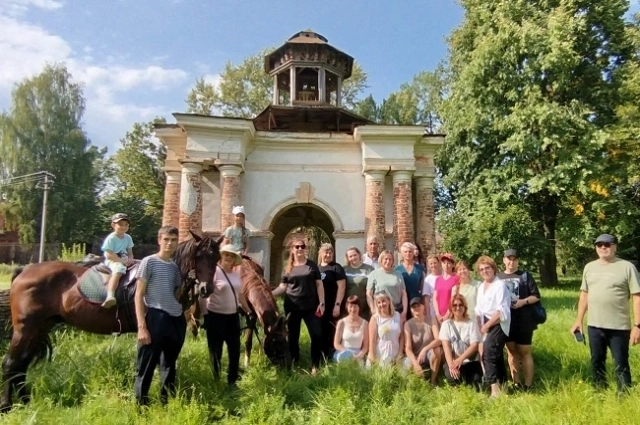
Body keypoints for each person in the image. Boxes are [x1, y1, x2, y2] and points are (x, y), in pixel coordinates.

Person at [570, 234, 640, 392]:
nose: (603, 247)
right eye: (599, 244)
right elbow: (584, 295)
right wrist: (578, 320)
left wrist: (638, 325)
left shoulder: (627, 267)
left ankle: (624, 395)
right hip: (594, 325)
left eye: (607, 245)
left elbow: (637, 298)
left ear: (615, 246)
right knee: (596, 361)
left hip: (619, 326)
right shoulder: (589, 267)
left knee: (621, 362)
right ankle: (600, 391)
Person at [133, 226, 185, 406]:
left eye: (173, 240)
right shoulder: (148, 262)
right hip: (155, 316)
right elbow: (139, 294)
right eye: (166, 239)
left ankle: (166, 403)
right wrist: (142, 326)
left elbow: (177, 293)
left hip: (175, 318)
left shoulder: (175, 267)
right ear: (159, 240)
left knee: (169, 364)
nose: (170, 243)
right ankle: (141, 406)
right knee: (146, 364)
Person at [198, 245, 251, 386]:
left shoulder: (235, 274)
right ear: (220, 256)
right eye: (226, 254)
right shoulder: (213, 272)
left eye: (231, 255)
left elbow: (239, 295)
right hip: (215, 316)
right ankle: (216, 379)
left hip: (233, 317)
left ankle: (232, 381)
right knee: (216, 351)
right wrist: (205, 315)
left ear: (235, 259)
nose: (228, 257)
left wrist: (249, 311)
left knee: (235, 350)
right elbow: (202, 296)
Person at [272, 238, 325, 375]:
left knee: (317, 335)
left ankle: (315, 365)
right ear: (292, 249)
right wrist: (270, 294)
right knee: (293, 337)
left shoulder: (312, 265)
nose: (300, 249)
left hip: (311, 307)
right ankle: (295, 362)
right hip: (292, 307)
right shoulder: (288, 267)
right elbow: (283, 287)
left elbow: (319, 285)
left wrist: (322, 303)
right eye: (297, 247)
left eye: (302, 246)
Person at [498, 249, 541, 391]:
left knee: (524, 352)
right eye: (509, 259)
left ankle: (528, 385)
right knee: (511, 351)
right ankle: (516, 383)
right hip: (506, 321)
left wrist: (523, 302)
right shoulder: (498, 277)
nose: (511, 262)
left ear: (518, 261)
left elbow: (536, 296)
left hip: (524, 321)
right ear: (504, 260)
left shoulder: (525, 276)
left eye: (514, 259)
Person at [474, 255, 511, 398]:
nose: (484, 271)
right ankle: (504, 387)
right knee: (496, 355)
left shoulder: (499, 285)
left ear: (493, 268)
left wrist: (487, 325)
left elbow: (501, 311)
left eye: (487, 268)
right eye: (481, 269)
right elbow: (478, 309)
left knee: (488, 354)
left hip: (498, 324)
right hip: (485, 323)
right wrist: (479, 325)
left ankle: (494, 391)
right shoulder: (482, 286)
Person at [440, 294, 483, 389]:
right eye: (454, 305)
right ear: (451, 308)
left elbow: (474, 345)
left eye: (460, 305)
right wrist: (451, 365)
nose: (458, 307)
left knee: (476, 386)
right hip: (454, 360)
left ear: (465, 307)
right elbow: (446, 346)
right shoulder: (446, 324)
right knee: (453, 378)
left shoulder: (471, 323)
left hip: (470, 360)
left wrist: (461, 359)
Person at [403, 297, 442, 386]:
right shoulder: (408, 324)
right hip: (415, 355)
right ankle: (418, 381)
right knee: (407, 372)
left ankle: (433, 381)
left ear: (423, 306)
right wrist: (415, 363)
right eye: (414, 307)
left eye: (418, 305)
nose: (416, 308)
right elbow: (408, 348)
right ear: (411, 310)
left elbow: (439, 339)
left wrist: (425, 349)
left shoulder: (431, 320)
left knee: (437, 351)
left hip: (428, 354)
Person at [317, 243, 346, 360]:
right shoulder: (316, 268)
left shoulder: (336, 267)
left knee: (333, 331)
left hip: (333, 305)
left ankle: (333, 355)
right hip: (319, 306)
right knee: (320, 330)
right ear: (321, 253)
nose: (328, 255)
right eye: (326, 252)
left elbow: (342, 287)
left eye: (330, 252)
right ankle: (321, 356)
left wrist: (337, 305)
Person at [101, 213, 134, 308]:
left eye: (126, 225)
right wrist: (122, 261)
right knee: (119, 269)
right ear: (113, 225)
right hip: (113, 260)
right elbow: (108, 255)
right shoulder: (111, 238)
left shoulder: (128, 238)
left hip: (125, 259)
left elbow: (130, 252)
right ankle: (110, 295)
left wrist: (131, 259)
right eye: (120, 224)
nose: (123, 227)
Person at [366, 250, 408, 323]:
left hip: (397, 310)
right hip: (380, 310)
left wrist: (404, 312)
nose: (388, 261)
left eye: (390, 259)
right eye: (386, 259)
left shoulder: (398, 274)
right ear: (381, 260)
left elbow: (404, 294)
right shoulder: (374, 274)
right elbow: (369, 294)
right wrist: (373, 310)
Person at [368, 292, 403, 367]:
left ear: (389, 301)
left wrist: (400, 354)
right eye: (379, 302)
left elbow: (402, 337)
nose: (382, 304)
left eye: (383, 301)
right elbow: (372, 341)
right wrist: (373, 358)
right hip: (381, 353)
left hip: (395, 351)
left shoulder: (397, 315)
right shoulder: (375, 318)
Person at [333, 295, 369, 363]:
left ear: (359, 307)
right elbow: (336, 344)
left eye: (355, 306)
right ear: (347, 307)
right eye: (351, 306)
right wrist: (349, 354)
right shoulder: (341, 322)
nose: (353, 309)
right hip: (343, 352)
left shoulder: (365, 323)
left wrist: (358, 356)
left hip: (358, 354)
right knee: (345, 360)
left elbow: (365, 347)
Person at [343, 246, 375, 320]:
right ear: (347, 258)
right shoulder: (344, 269)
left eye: (355, 255)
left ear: (359, 255)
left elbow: (373, 288)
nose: (353, 258)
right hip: (349, 306)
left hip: (364, 307)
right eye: (350, 256)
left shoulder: (369, 269)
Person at [395, 242, 425, 317]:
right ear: (402, 254)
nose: (408, 254)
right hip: (401, 304)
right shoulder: (397, 270)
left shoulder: (420, 269)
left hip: (416, 302)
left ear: (413, 253)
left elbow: (423, 287)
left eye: (410, 251)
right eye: (405, 252)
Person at [433, 253, 460, 324]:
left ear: (453, 265)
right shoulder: (438, 279)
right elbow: (435, 298)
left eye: (449, 263)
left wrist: (448, 314)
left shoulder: (456, 278)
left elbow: (453, 297)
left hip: (451, 314)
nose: (446, 265)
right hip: (439, 316)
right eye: (444, 263)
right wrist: (437, 314)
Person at [422, 255, 441, 319]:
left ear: (439, 263)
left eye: (435, 263)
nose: (433, 265)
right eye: (431, 263)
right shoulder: (428, 279)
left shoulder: (444, 275)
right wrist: (427, 313)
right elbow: (427, 298)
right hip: (433, 310)